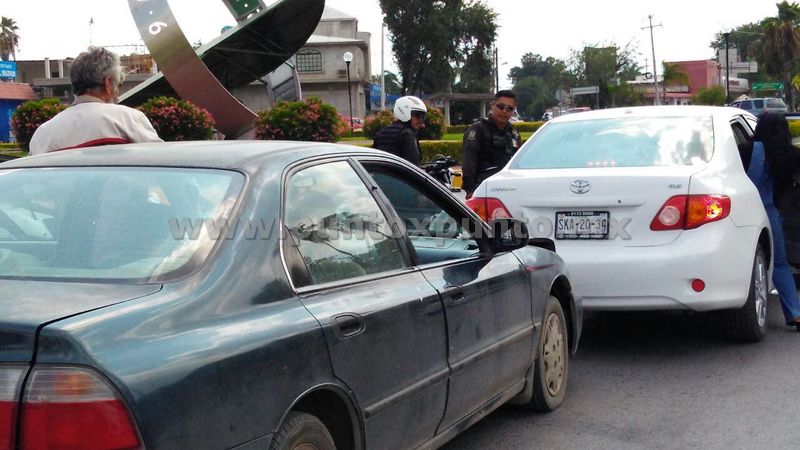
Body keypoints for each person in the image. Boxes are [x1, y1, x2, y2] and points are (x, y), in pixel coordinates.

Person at [29, 46, 162, 155]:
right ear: (108, 83)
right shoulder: (128, 119)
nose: (118, 93)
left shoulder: (43, 133)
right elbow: (159, 162)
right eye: (119, 84)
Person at [747, 112, 800, 330]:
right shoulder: (793, 156)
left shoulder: (745, 150)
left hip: (744, 210)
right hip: (770, 210)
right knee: (779, 263)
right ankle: (795, 314)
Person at [461, 90, 522, 199]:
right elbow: (469, 162)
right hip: (483, 189)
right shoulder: (478, 129)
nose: (504, 111)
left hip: (509, 189)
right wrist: (470, 190)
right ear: (493, 105)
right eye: (501, 106)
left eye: (509, 108)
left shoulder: (514, 133)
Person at [372, 95, 427, 165]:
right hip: (399, 175)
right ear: (405, 112)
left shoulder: (380, 133)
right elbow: (413, 165)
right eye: (418, 115)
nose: (421, 120)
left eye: (423, 116)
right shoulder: (407, 134)